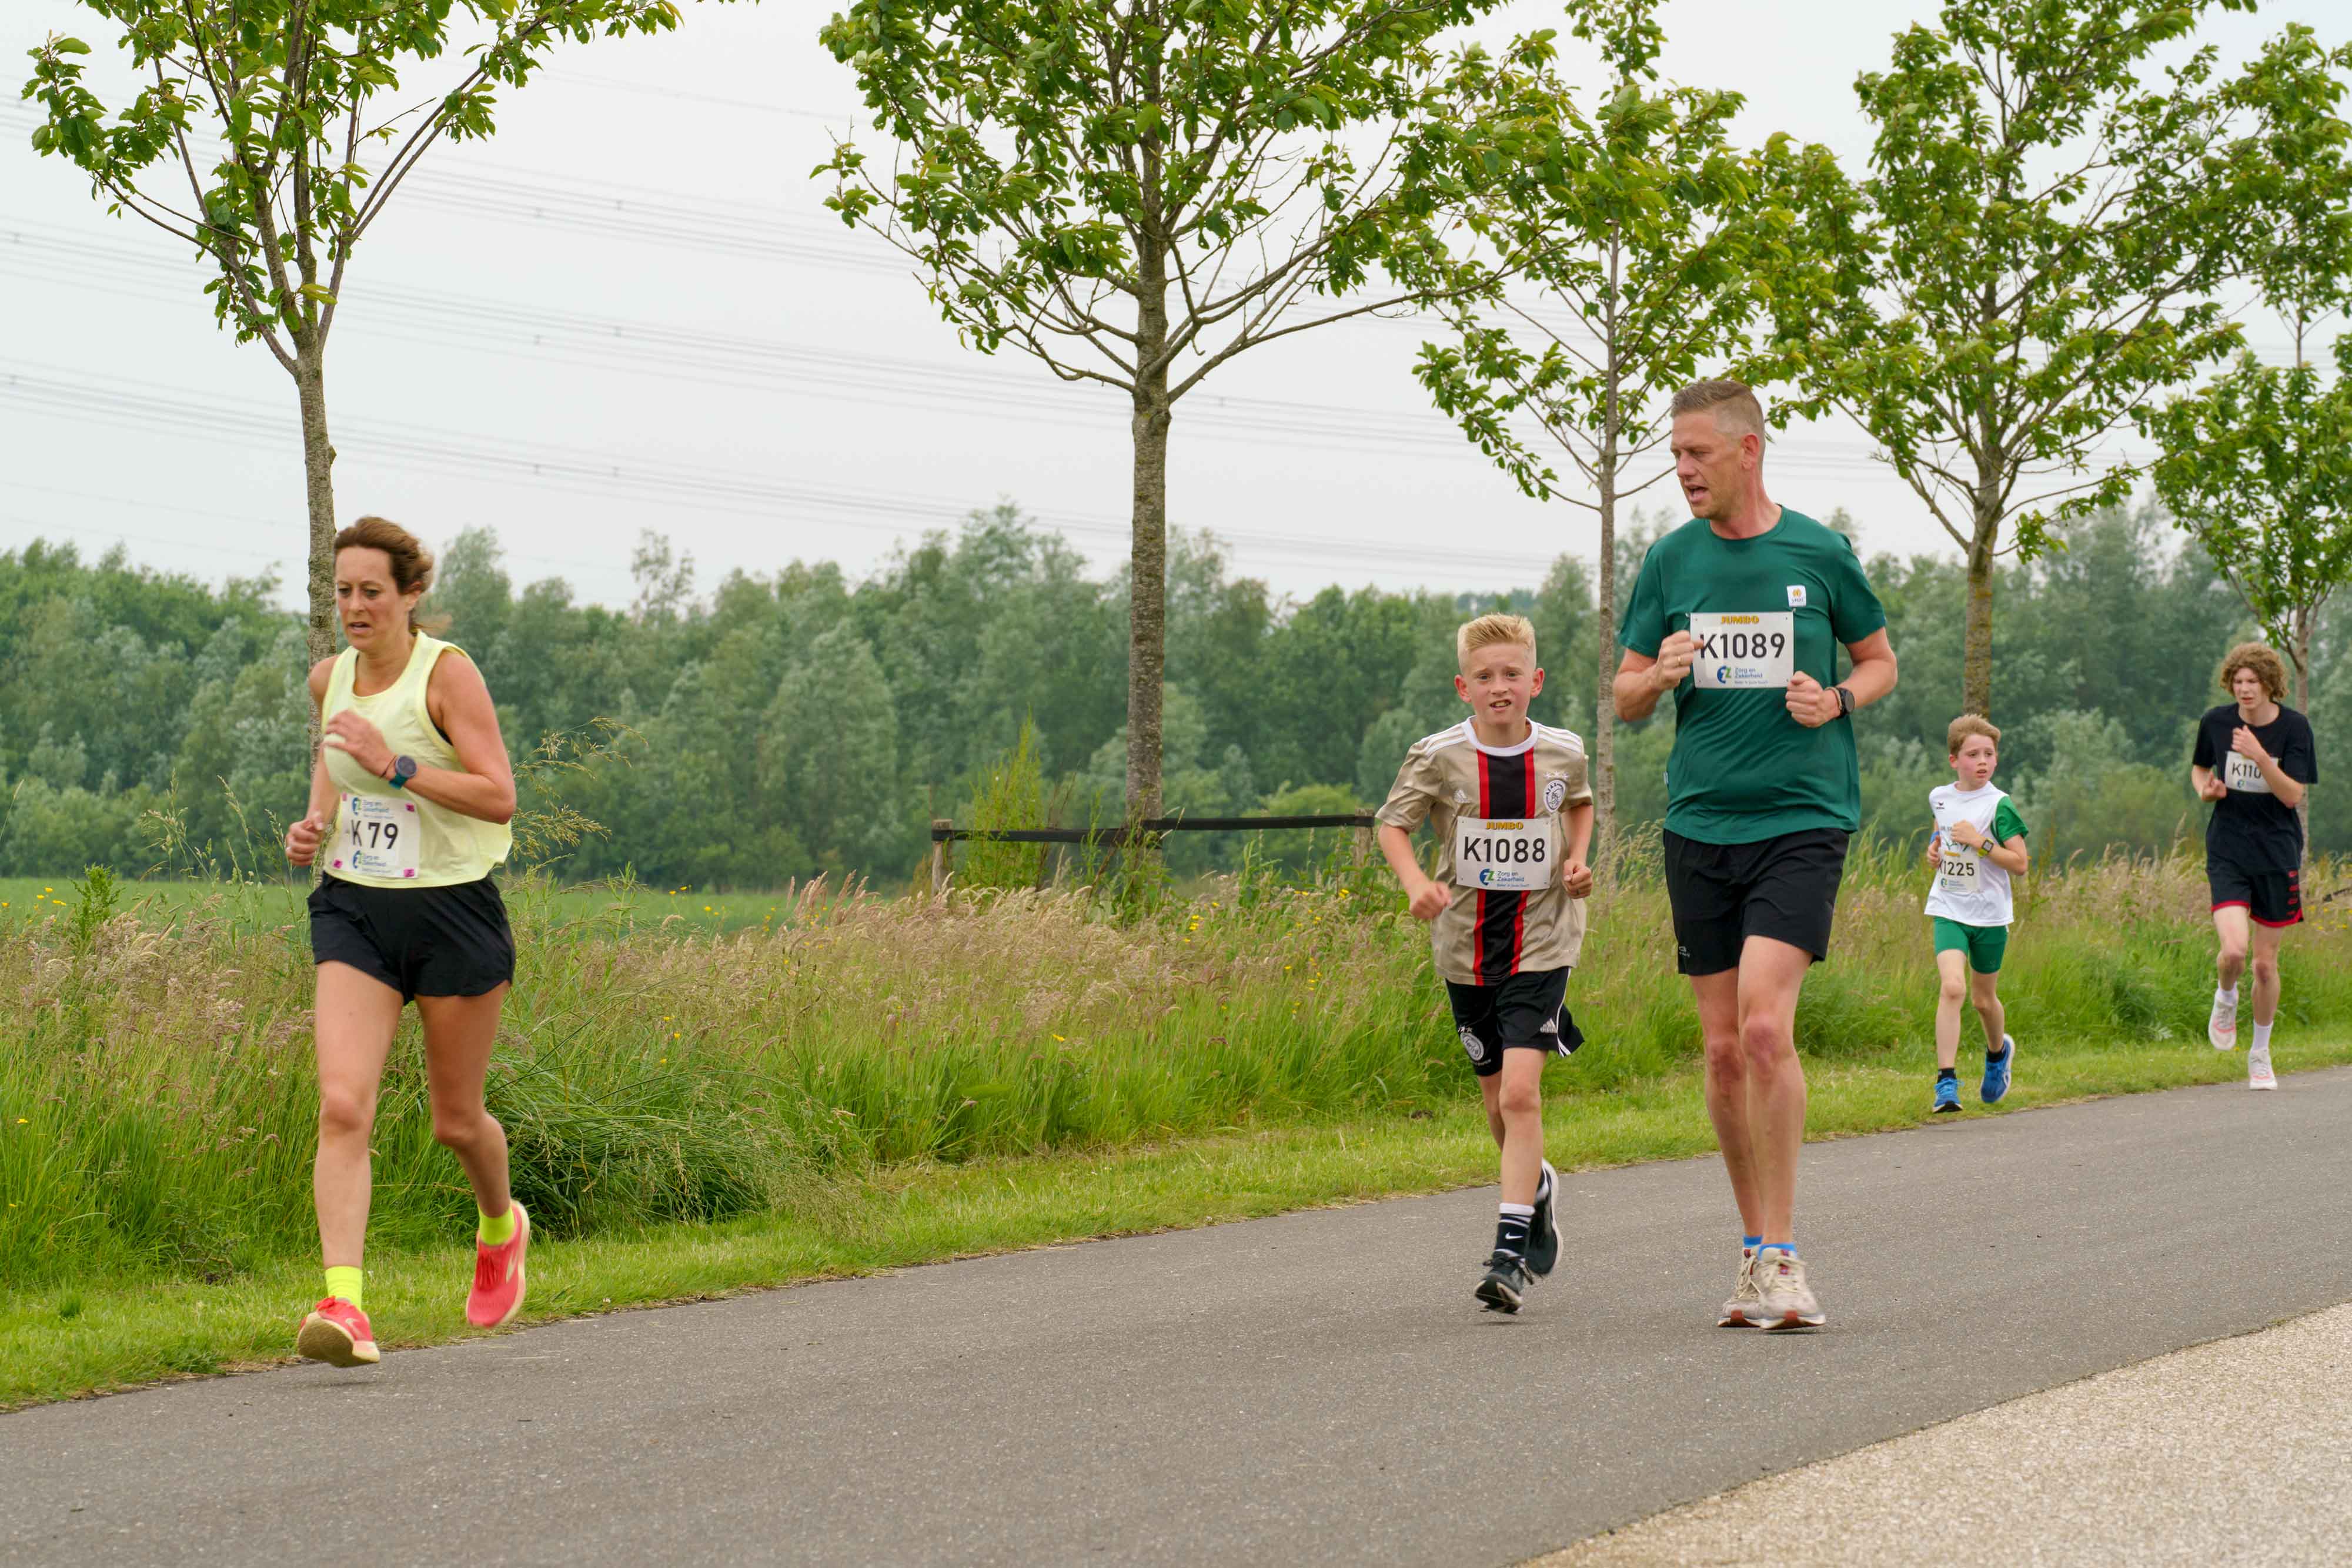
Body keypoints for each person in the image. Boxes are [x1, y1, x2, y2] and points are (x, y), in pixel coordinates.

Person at [1613, 379, 1898, 1332]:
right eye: (1674, 455)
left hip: (1802, 817)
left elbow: (1880, 660)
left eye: (1696, 452)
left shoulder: (1819, 552)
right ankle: (1749, 1250)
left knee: (1767, 1027)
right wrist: (1659, 673)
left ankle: (1784, 1252)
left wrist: (1839, 699)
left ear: (1748, 450)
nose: (1682, 469)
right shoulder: (1670, 560)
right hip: (1701, 822)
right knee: (1724, 1049)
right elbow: (1623, 695)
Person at [283, 517, 527, 1368]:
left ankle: (499, 1225)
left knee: (456, 1122)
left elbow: (499, 796)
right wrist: (315, 822)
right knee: (344, 1105)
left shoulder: (447, 675)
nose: (354, 607)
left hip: (452, 910)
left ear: (410, 593)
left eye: (371, 592)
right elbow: (333, 758)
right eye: (342, 592)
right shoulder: (330, 678)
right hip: (355, 907)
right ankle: (343, 1305)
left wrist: (398, 766)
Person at [1377, 613, 1596, 1313]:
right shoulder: (1437, 756)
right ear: (1462, 687)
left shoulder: (1563, 750)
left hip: (1544, 941)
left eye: (1511, 675)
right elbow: (1392, 825)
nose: (1499, 687)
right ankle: (1535, 1187)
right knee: (1497, 1101)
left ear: (1535, 681)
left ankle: (1508, 1255)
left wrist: (1576, 860)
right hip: (1464, 946)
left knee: (1521, 1096)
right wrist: (1415, 883)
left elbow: (1581, 804)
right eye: (1484, 677)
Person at [2192, 643, 2316, 1092]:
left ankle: (2260, 1054)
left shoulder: (2294, 728)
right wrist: (2206, 790)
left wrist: (2259, 754)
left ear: (2270, 685)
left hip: (2277, 854)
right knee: (2234, 953)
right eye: (2238, 681)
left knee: (2264, 966)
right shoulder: (2216, 721)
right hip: (2228, 850)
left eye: (2253, 682)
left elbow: (2293, 794)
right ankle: (2226, 996)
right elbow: (2200, 768)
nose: (2244, 689)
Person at [1923, 716, 2027, 1114]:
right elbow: (1941, 832)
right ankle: (1946, 1082)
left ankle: (1998, 1053)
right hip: (1949, 907)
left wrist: (1981, 843)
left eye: (1989, 754)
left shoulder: (2000, 805)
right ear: (1954, 760)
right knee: (1953, 988)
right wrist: (1934, 848)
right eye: (1973, 755)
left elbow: (2020, 863)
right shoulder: (1940, 797)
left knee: (1984, 1001)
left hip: (1990, 915)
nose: (1983, 761)